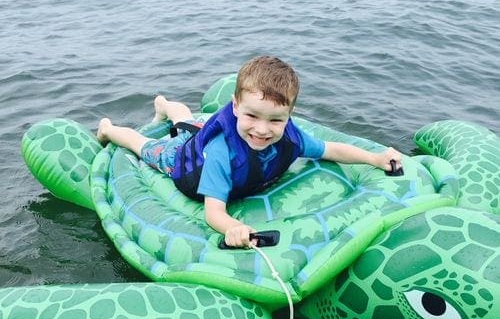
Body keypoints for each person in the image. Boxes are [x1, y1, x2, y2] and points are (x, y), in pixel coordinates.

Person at [97, 56, 402, 248]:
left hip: (202, 138)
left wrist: (375, 158)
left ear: (288, 116)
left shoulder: (290, 138)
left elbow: (330, 149)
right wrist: (235, 228)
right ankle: (108, 128)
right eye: (252, 116)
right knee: (145, 145)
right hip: (184, 161)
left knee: (186, 121)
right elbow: (214, 212)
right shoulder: (220, 152)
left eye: (275, 120)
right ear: (235, 106)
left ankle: (164, 106)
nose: (262, 129)